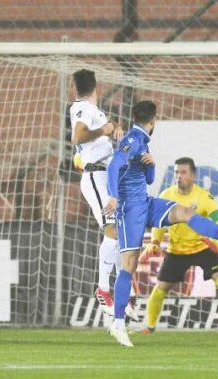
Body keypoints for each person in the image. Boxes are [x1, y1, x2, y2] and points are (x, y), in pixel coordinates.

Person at [103, 100, 218, 347]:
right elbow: (114, 165)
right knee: (128, 265)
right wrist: (113, 195)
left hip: (146, 203)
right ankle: (118, 325)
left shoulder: (143, 142)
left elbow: (147, 178)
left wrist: (151, 164)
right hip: (129, 209)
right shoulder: (132, 139)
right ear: (154, 120)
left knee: (184, 212)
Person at [142, 157, 218, 335]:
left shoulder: (203, 196)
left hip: (202, 247)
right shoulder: (166, 195)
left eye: (183, 172)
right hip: (176, 251)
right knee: (160, 290)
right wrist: (155, 242)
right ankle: (149, 328)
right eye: (176, 172)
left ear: (193, 175)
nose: (178, 176)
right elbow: (159, 223)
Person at [69, 69, 138, 321]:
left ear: (74, 85)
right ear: (96, 85)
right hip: (96, 176)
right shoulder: (80, 108)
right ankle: (103, 288)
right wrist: (104, 130)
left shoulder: (94, 111)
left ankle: (123, 292)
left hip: (107, 175)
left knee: (121, 235)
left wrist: (114, 127)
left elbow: (106, 126)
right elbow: (77, 135)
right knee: (113, 231)